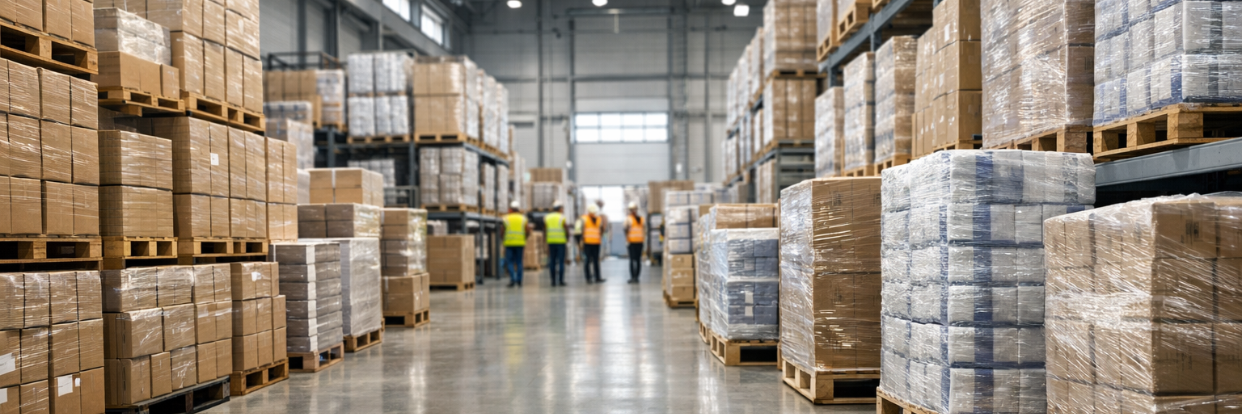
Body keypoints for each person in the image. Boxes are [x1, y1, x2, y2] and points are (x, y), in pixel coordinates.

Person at [502, 201, 534, 288]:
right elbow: (527, 231)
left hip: (509, 243)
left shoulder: (505, 218)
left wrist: (503, 238)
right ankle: (519, 280)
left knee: (510, 262)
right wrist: (524, 238)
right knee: (519, 262)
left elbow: (502, 231)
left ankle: (512, 279)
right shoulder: (523, 218)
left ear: (510, 209)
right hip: (520, 243)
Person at [544, 202, 568, 286]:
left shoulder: (547, 217)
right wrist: (567, 237)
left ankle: (553, 281)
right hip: (561, 242)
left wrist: (546, 240)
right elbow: (566, 229)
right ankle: (561, 281)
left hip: (551, 241)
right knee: (561, 262)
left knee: (552, 261)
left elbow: (545, 229)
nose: (563, 210)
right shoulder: (562, 217)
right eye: (562, 208)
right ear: (559, 209)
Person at [581, 204, 605, 284]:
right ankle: (588, 278)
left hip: (596, 243)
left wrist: (600, 236)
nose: (594, 213)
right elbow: (581, 230)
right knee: (587, 261)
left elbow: (601, 229)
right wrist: (581, 241)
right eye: (592, 212)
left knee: (596, 261)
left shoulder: (599, 219)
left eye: (594, 212)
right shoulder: (584, 218)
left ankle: (597, 277)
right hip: (587, 243)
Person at [623, 202, 645, 284]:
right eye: (632, 210)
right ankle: (633, 277)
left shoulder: (641, 219)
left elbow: (644, 230)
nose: (633, 211)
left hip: (639, 242)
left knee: (638, 260)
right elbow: (625, 229)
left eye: (634, 209)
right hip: (631, 242)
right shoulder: (628, 219)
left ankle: (636, 277)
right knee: (632, 260)